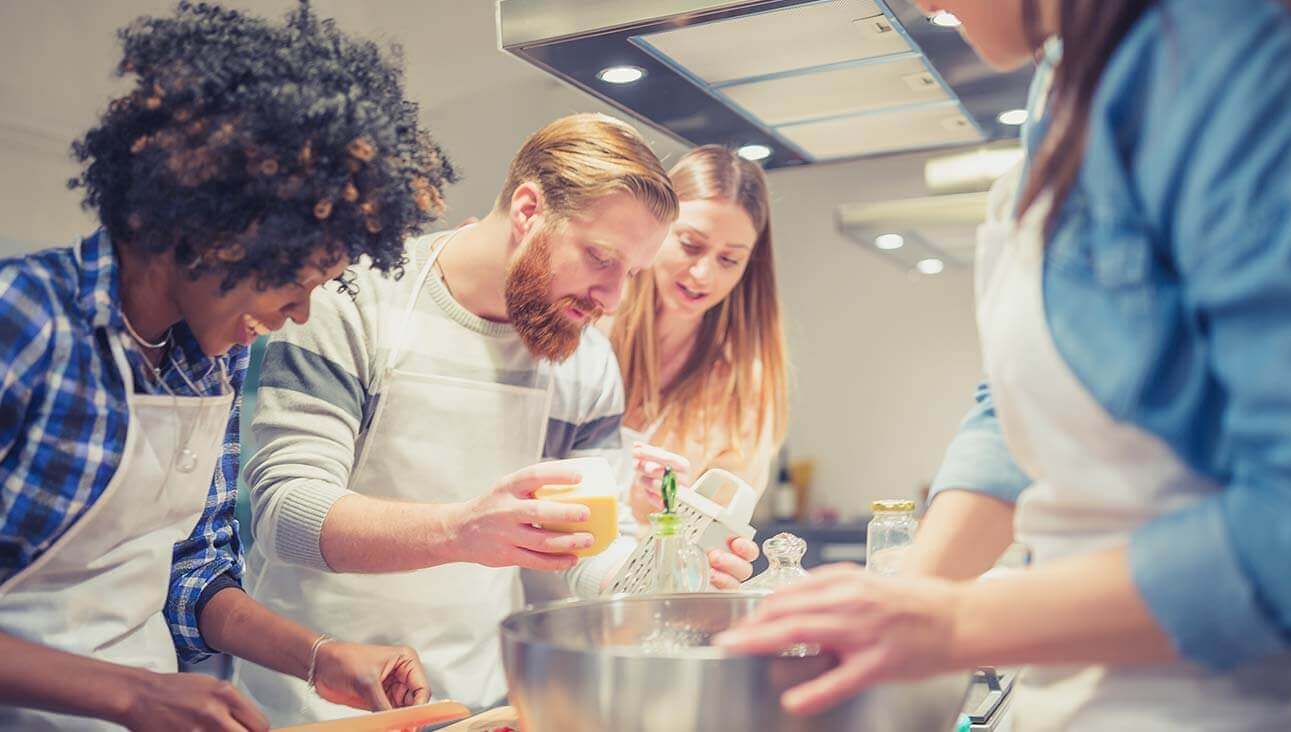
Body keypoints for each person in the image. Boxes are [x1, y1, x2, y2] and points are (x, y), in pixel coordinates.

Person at [718, 1, 1291, 730]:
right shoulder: (1062, 83)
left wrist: (954, 622)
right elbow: (1021, 414)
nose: (918, 4)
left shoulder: (1227, 43)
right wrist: (902, 599)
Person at [0, 2, 455, 729]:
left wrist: (321, 656)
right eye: (295, 281)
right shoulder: (24, 319)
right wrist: (134, 694)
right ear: (213, 228)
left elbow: (192, 574)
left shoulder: (211, 364)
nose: (300, 314)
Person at [238, 114, 759, 723]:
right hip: (316, 702)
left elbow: (582, 555)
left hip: (477, 704)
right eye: (599, 257)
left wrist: (670, 571)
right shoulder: (352, 303)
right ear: (528, 209)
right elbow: (285, 512)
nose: (613, 298)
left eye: (632, 273)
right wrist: (460, 531)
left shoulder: (584, 359)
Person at [607, 146, 789, 589]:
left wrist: (720, 560)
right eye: (690, 245)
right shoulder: (590, 326)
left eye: (729, 260)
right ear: (654, 228)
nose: (703, 274)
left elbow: (717, 543)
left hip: (652, 615)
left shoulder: (744, 385)